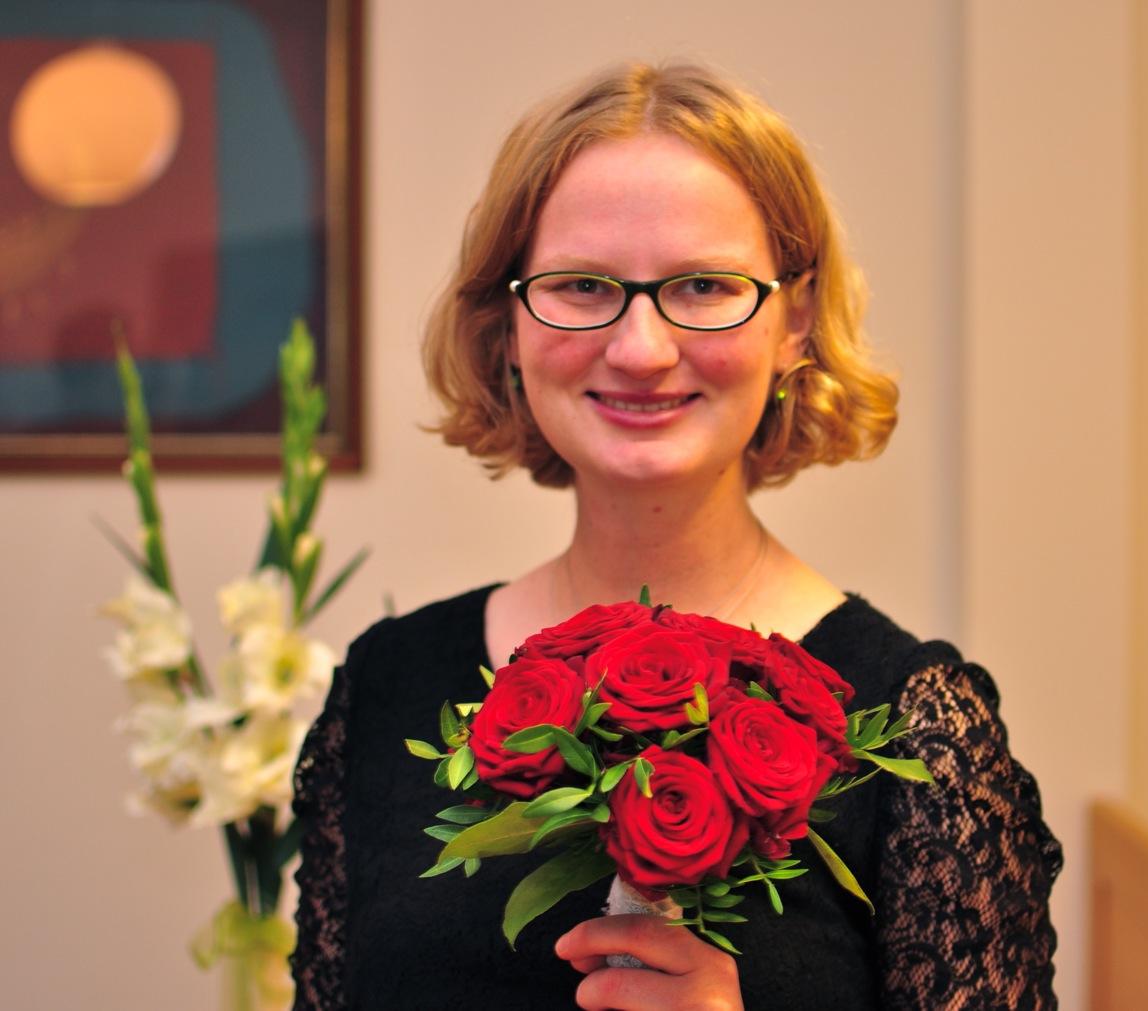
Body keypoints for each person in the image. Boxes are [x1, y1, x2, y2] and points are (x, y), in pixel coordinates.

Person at [291, 62, 1062, 1010]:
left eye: (703, 285)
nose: (643, 349)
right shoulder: (386, 687)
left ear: (797, 321)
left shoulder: (915, 730)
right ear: (505, 327)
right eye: (581, 285)